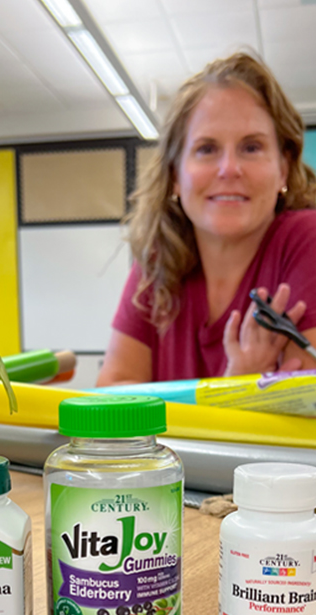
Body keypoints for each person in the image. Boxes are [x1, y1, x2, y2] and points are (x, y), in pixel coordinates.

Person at [96, 52, 316, 387]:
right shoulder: (158, 260)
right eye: (206, 149)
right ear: (174, 175)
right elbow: (111, 399)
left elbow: (302, 411)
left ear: (283, 168)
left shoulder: (306, 239)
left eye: (252, 147)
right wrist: (234, 385)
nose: (229, 169)